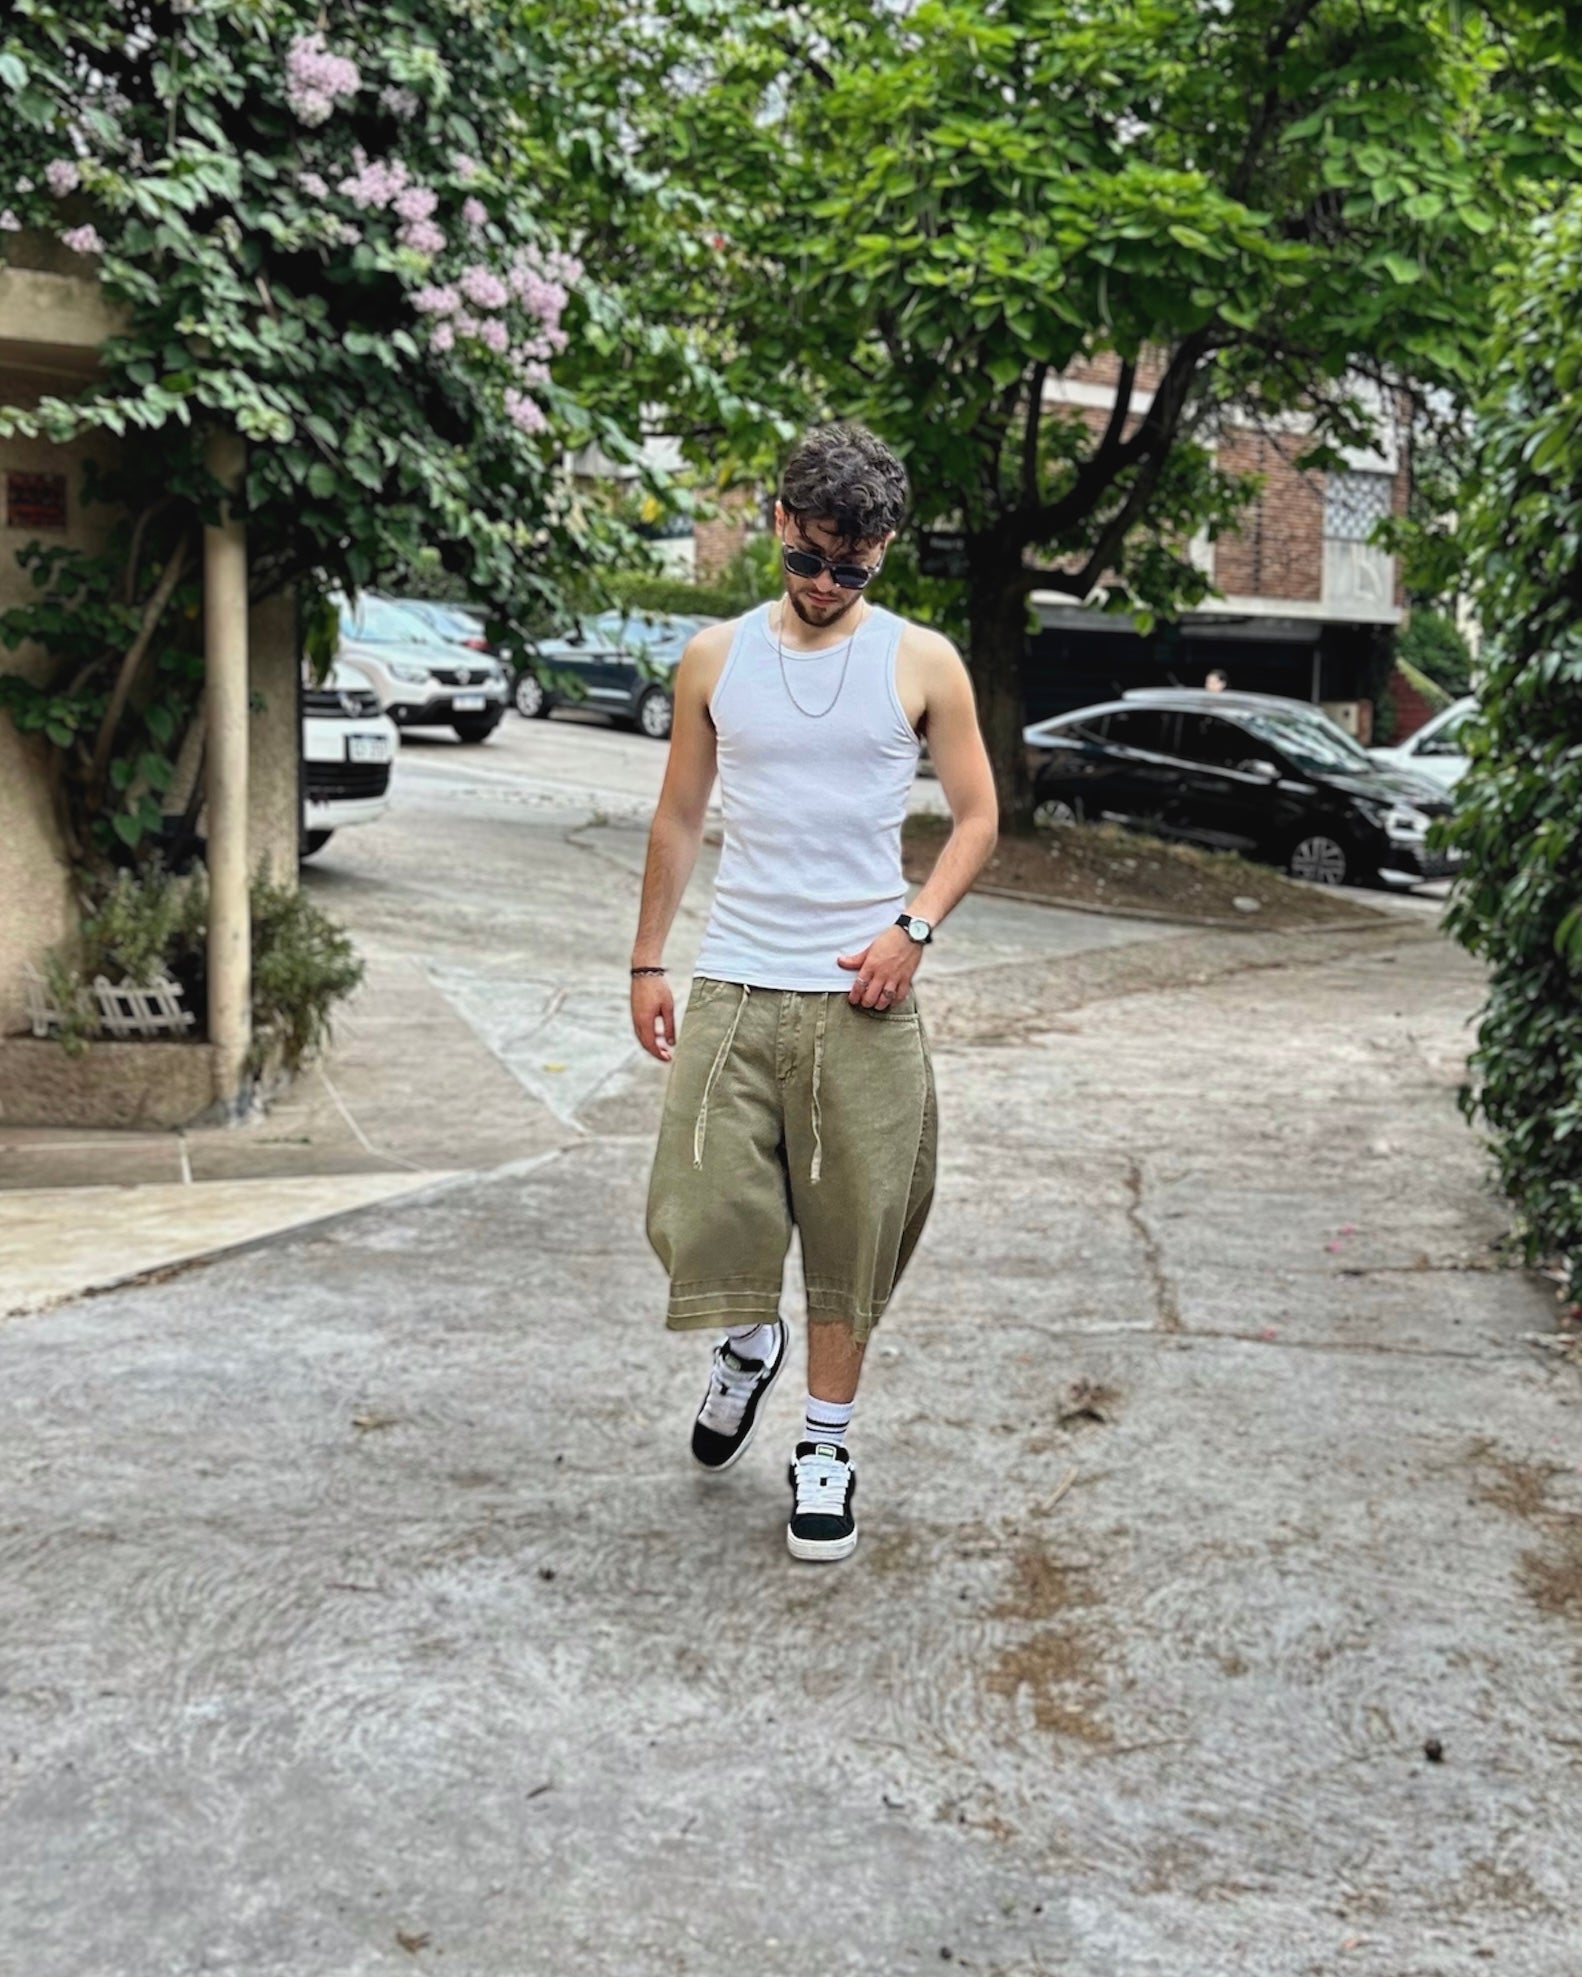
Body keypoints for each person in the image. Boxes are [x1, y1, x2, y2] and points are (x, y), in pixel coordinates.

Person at [629, 423, 998, 1562]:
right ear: (780, 522)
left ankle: (825, 1447)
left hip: (861, 999)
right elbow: (678, 816)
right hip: (736, 982)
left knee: (852, 1236)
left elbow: (978, 818)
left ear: (883, 550)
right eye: (809, 557)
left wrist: (913, 929)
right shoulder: (715, 658)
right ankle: (749, 1346)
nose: (828, 583)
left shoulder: (921, 662)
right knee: (700, 1212)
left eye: (853, 567)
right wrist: (647, 959)